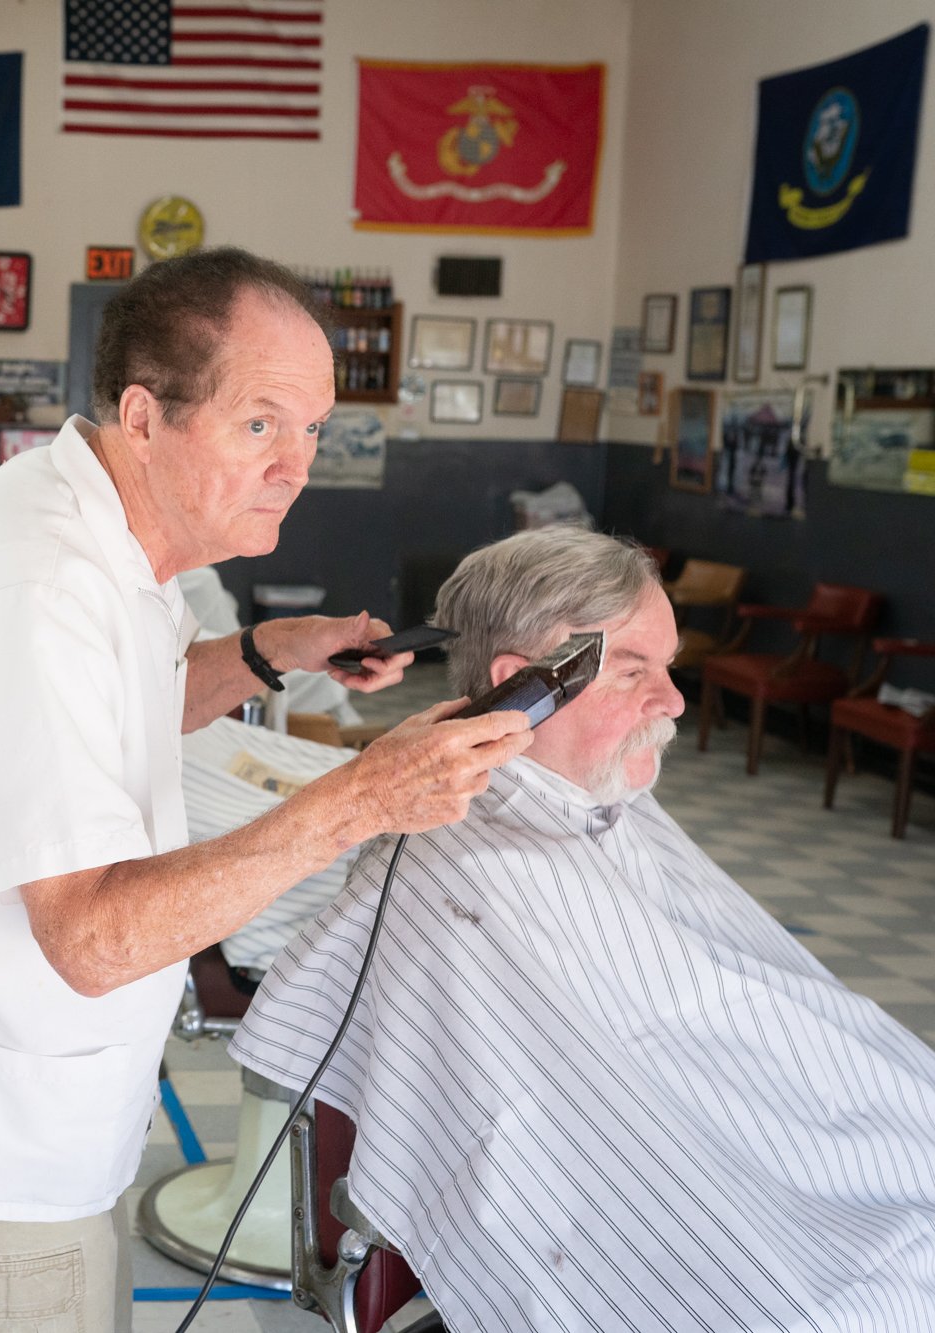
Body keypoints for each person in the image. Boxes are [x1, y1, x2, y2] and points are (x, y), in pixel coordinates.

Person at [0, 248, 534, 1332]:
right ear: (143, 416)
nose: (294, 465)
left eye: (311, 432)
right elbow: (92, 937)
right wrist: (358, 798)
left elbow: (126, 696)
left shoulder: (98, 527)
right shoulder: (39, 590)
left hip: (39, 1099)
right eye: (259, 424)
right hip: (2, 1138)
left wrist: (264, 651)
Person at [232, 527, 935, 1331]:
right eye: (634, 670)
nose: (673, 701)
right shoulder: (449, 874)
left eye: (667, 669)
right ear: (520, 686)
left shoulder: (607, 812)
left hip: (773, 1144)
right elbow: (537, 1156)